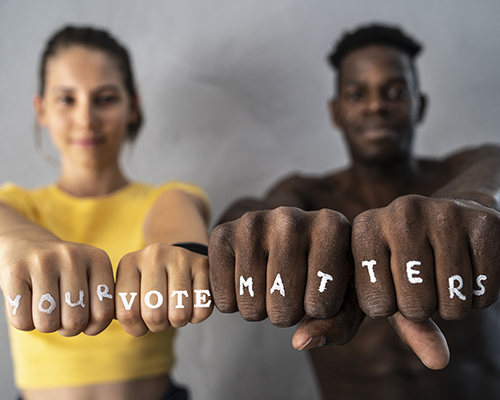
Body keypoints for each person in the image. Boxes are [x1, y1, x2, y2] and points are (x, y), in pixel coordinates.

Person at [209, 24, 500, 399]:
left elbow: (489, 177)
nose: (376, 105)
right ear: (336, 111)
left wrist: (470, 203)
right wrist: (243, 232)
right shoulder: (309, 196)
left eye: (395, 92)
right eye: (356, 93)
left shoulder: (467, 172)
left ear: (420, 105)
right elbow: (254, 215)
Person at [0, 26, 212, 400]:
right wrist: (23, 245)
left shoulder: (166, 198)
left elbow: (180, 230)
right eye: (67, 99)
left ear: (133, 106)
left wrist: (184, 253)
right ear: (42, 110)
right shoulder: (18, 205)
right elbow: (9, 229)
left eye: (105, 98)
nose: (86, 119)